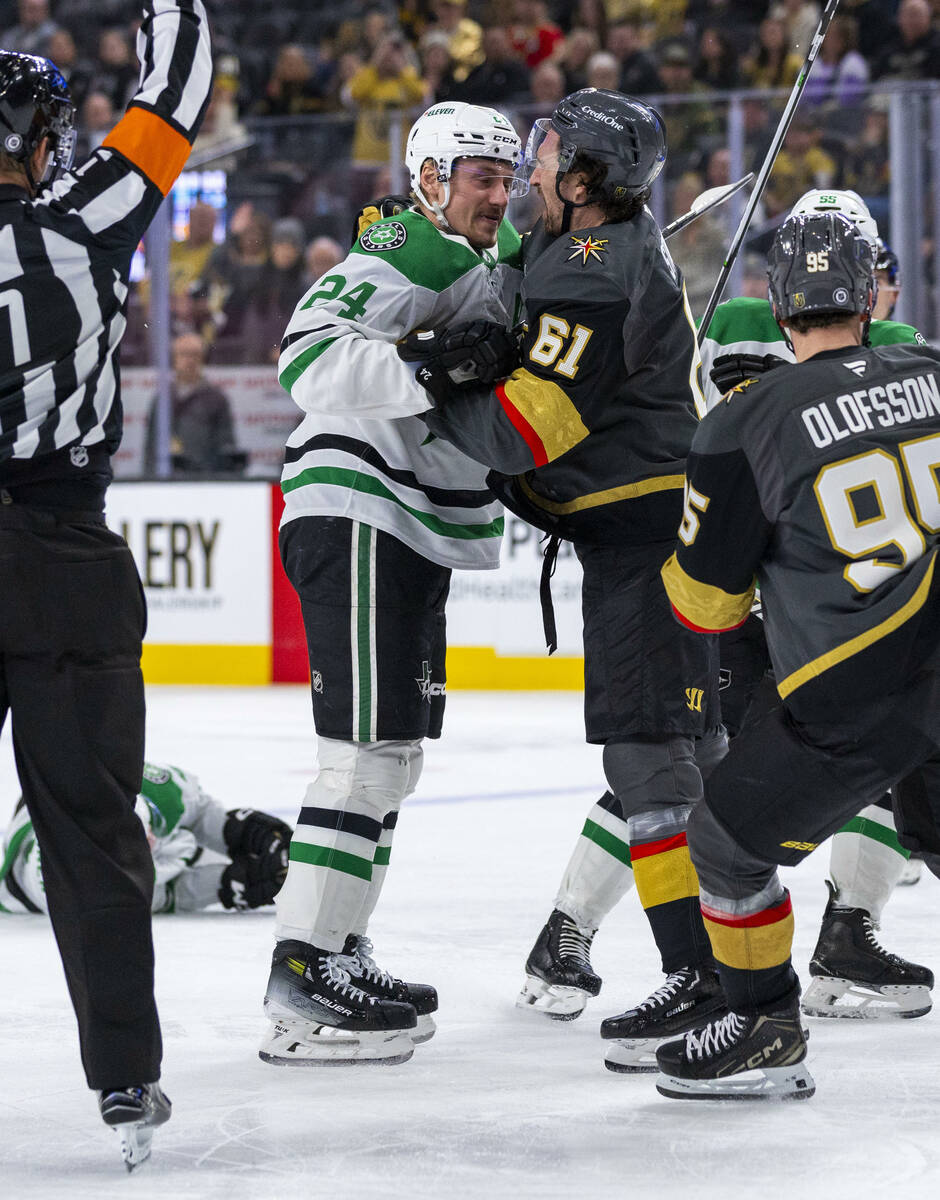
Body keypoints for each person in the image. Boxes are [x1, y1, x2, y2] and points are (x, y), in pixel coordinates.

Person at [396, 88, 726, 1068]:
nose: (530, 167)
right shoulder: (591, 250)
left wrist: (431, 390)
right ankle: (729, 972)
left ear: (583, 181)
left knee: (649, 761)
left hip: (642, 542)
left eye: (543, 155)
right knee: (684, 760)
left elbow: (528, 428)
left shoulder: (593, 265)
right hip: (660, 532)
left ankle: (700, 977)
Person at [260, 102, 525, 1067]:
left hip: (404, 523)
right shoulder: (414, 246)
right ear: (427, 180)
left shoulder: (474, 265)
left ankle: (339, 946)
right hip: (359, 507)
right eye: (478, 176)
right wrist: (427, 358)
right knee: (366, 755)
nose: (497, 193)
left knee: (393, 757)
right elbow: (305, 353)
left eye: (505, 176)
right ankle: (305, 970)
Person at [656, 211, 940, 1100]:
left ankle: (764, 1025)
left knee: (726, 845)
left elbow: (703, 606)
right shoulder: (933, 371)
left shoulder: (749, 419)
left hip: (857, 691)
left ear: (780, 307)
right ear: (868, 296)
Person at [0, 1, 211, 1169]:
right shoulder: (88, 223)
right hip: (65, 556)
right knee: (89, 832)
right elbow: (174, 93)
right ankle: (125, 1080)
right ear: (38, 139)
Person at [1, 764, 292, 916]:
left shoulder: (158, 790)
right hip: (69, 880)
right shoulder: (47, 879)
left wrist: (238, 831)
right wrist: (230, 884)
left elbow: (201, 812)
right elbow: (175, 894)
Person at [142, 333, 243, 476]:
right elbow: (150, 446)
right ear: (174, 358)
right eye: (184, 354)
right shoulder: (162, 399)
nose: (190, 360)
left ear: (202, 359)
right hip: (167, 478)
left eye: (195, 354)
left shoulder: (216, 399)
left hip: (204, 479)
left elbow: (225, 446)